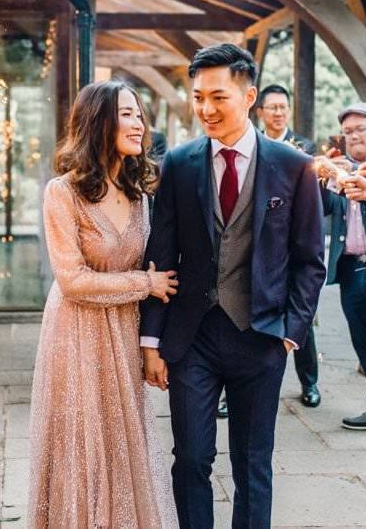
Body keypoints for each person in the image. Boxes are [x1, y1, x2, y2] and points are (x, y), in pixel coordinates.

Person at [140, 44, 326, 529]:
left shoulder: (292, 165)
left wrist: (292, 331)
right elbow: (160, 256)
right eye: (198, 97)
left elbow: (310, 260)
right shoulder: (179, 164)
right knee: (193, 459)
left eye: (217, 97)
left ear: (249, 97)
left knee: (252, 464)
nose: (206, 109)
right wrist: (151, 341)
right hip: (192, 338)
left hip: (261, 337)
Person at [28, 80, 179, 528]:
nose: (139, 123)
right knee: (82, 438)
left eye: (139, 113)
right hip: (77, 331)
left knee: (122, 439)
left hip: (124, 329)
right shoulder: (63, 192)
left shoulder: (139, 192)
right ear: (98, 122)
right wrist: (145, 282)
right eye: (127, 113)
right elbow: (72, 280)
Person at [254, 84, 321, 408]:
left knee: (301, 317)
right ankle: (237, 388)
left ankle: (309, 382)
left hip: (294, 238)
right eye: (274, 107)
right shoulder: (252, 147)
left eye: (284, 107)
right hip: (260, 244)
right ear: (261, 111)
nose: (279, 113)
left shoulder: (305, 147)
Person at [319, 101, 366, 430]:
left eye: (360, 129)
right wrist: (321, 180)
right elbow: (322, 210)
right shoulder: (340, 170)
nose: (354, 136)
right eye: (348, 132)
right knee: (360, 336)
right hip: (349, 267)